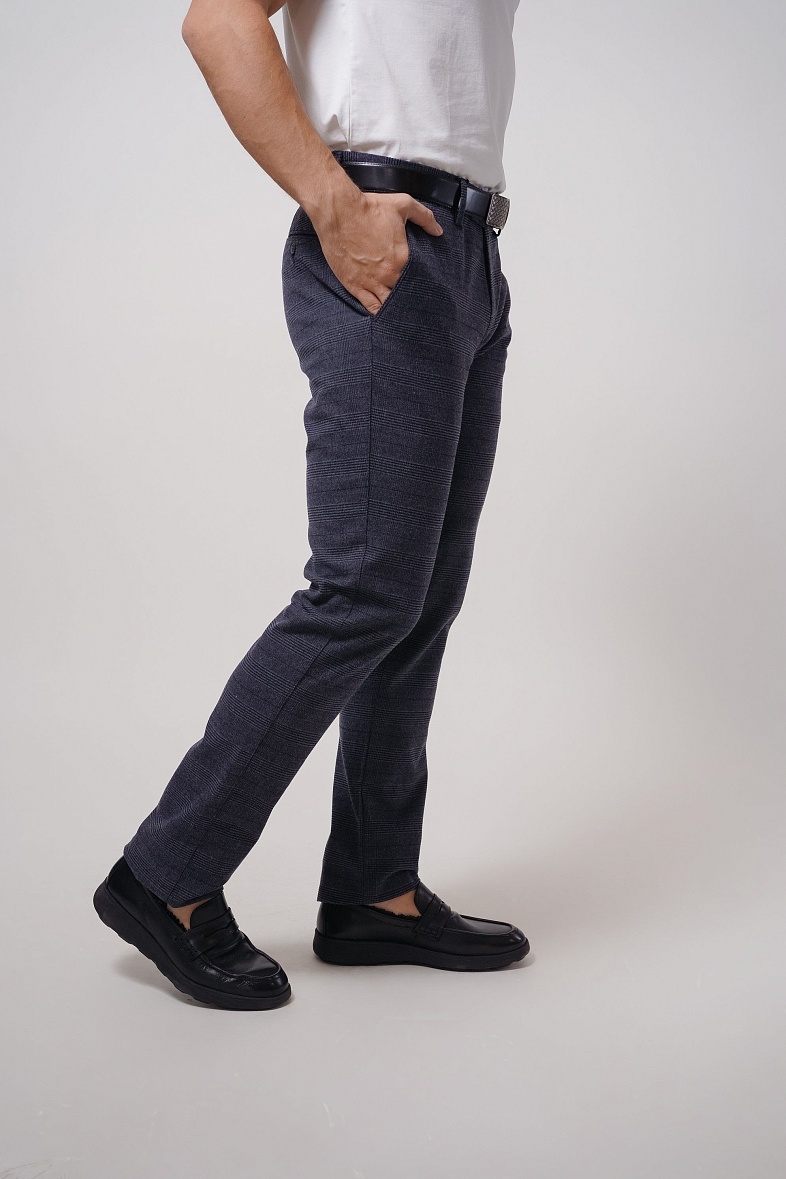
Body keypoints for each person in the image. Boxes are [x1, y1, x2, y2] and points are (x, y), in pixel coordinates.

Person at [93, 0, 529, 1011]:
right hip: (383, 226)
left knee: (420, 596)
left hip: (469, 251)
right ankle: (165, 874)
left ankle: (376, 890)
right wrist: (336, 205)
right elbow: (219, 22)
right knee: (363, 591)